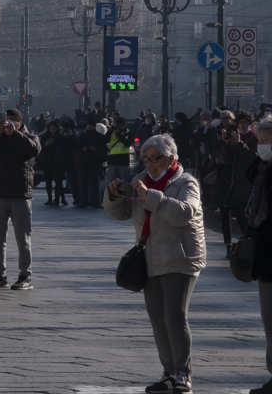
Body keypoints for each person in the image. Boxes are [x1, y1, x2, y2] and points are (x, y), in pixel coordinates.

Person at [104, 135, 205, 394]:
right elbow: (122, 213)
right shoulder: (141, 181)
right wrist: (114, 196)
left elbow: (183, 214)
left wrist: (151, 196)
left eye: (155, 159)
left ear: (170, 158)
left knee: (174, 315)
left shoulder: (186, 182)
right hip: (150, 258)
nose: (149, 164)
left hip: (180, 258)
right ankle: (169, 372)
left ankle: (183, 374)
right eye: (146, 159)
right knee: (158, 319)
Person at [0, 108, 40, 290]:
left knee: (23, 238)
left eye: (13, 120)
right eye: (7, 120)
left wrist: (15, 134)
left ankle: (25, 276)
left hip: (20, 195)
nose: (9, 124)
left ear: (20, 123)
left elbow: (34, 150)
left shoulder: (30, 137)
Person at [244, 117, 272, 394]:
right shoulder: (261, 170)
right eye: (259, 141)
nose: (260, 147)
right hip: (266, 257)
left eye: (265, 141)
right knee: (269, 317)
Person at [213, 122, 257, 259]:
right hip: (226, 186)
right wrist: (226, 144)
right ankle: (229, 246)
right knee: (225, 217)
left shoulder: (251, 141)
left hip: (240, 187)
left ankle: (247, 246)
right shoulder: (225, 144)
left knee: (242, 218)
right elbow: (225, 161)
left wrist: (238, 143)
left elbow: (252, 159)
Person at [105, 117, 134, 186]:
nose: (119, 128)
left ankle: (125, 196)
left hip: (123, 160)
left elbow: (127, 143)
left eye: (120, 126)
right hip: (113, 160)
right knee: (110, 181)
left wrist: (118, 134)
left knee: (125, 181)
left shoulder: (128, 133)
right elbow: (104, 140)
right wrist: (110, 131)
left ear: (124, 125)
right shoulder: (112, 132)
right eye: (117, 126)